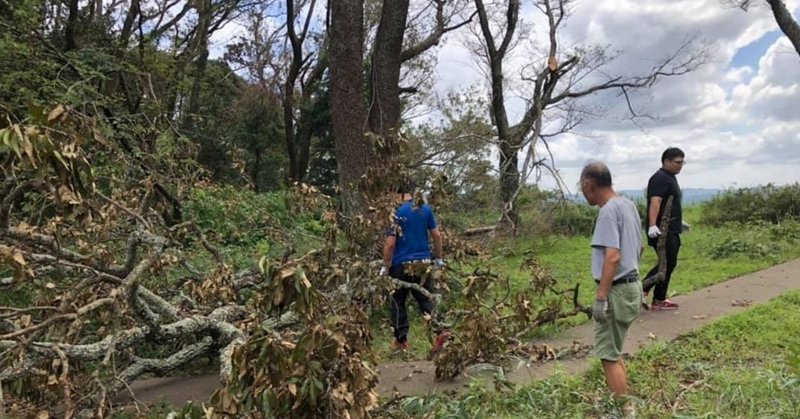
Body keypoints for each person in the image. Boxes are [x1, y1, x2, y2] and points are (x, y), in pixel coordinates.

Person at [580, 161, 643, 409]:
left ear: (589, 184)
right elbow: (638, 248)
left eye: (581, 186)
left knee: (607, 355)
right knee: (614, 350)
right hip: (632, 285)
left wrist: (601, 298)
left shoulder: (607, 211)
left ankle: (625, 410)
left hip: (617, 290)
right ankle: (624, 401)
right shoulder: (627, 205)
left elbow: (613, 256)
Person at [380, 180, 448, 352]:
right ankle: (442, 332)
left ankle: (401, 341)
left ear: (396, 193)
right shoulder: (425, 209)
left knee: (398, 301)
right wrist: (438, 258)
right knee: (427, 299)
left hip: (400, 264)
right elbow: (437, 236)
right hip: (422, 263)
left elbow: (390, 244)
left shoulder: (396, 213)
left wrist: (385, 266)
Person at [643, 147, 685, 310]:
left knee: (668, 262)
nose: (680, 166)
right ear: (666, 161)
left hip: (671, 227)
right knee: (666, 263)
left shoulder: (670, 177)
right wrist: (653, 225)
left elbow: (670, 203)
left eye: (682, 162)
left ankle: (658, 297)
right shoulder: (660, 178)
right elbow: (656, 202)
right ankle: (643, 290)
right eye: (677, 162)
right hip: (662, 230)